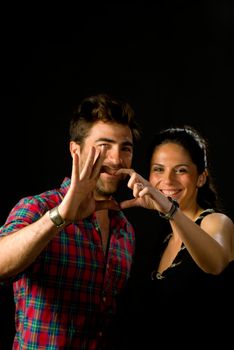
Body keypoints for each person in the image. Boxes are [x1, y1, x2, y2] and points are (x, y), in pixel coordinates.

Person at [0, 93, 141, 350]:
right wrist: (61, 216)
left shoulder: (125, 231)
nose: (116, 159)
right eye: (104, 145)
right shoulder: (38, 207)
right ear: (75, 150)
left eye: (126, 148)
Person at [115, 125, 234, 349]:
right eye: (158, 169)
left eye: (180, 170)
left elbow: (216, 264)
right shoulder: (163, 239)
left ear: (201, 178)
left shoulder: (216, 222)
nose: (168, 180)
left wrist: (170, 210)